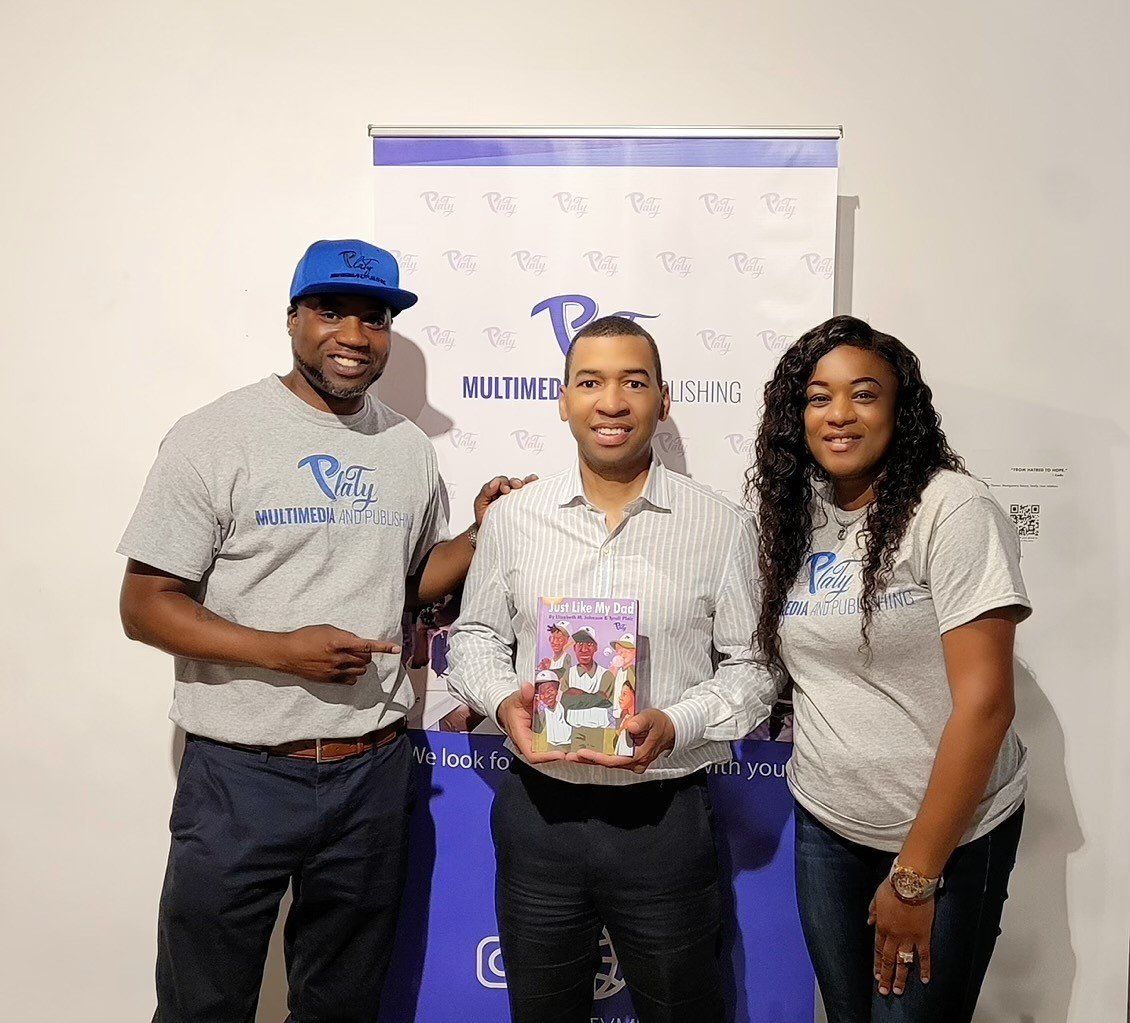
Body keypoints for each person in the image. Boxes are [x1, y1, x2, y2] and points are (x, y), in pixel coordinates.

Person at [117, 238, 531, 1023]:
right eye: (331, 311)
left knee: (342, 1004)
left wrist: (483, 534)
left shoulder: (407, 448)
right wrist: (280, 650)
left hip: (371, 771)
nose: (353, 334)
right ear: (292, 319)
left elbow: (408, 581)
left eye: (374, 318)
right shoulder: (215, 435)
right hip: (239, 774)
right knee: (203, 1004)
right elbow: (144, 604)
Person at [447, 315, 776, 1023]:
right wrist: (505, 702)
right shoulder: (514, 519)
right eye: (591, 382)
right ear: (563, 400)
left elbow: (752, 669)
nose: (613, 402)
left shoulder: (721, 525)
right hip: (540, 815)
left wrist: (677, 722)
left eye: (634, 382)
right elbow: (474, 636)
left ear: (664, 398)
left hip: (664, 818)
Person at [747, 315, 1031, 1023]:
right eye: (819, 397)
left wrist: (915, 878)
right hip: (828, 826)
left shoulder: (952, 509)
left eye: (864, 394)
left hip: (946, 841)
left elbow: (987, 706)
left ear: (900, 410)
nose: (839, 414)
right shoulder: (795, 516)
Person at [533, 670, 573, 748]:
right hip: (550, 746)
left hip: (568, 745)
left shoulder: (565, 707)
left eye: (550, 691)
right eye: (542, 693)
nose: (546, 696)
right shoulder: (542, 712)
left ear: (557, 690)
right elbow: (538, 730)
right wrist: (536, 712)